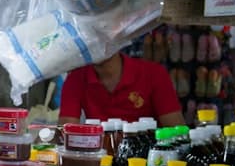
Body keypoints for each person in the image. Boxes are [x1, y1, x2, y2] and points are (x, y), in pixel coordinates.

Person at [58, 52, 186, 126]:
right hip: (98, 160)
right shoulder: (76, 78)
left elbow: (176, 130)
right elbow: (66, 131)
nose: (96, 44)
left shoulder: (154, 73)